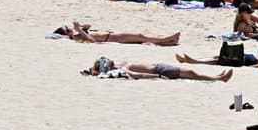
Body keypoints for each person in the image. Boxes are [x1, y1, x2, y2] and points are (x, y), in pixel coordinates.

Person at [82, 58, 232, 82]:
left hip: (159, 67)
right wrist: (158, 76)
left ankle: (216, 77)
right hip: (160, 70)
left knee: (190, 73)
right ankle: (217, 78)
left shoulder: (121, 64)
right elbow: (139, 75)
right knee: (191, 74)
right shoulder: (122, 69)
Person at [54, 21, 179, 46]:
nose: (70, 29)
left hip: (113, 35)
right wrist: (80, 30)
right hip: (114, 37)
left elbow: (89, 27)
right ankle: (166, 39)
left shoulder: (77, 33)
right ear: (67, 34)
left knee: (141, 38)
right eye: (68, 30)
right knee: (141, 36)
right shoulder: (76, 38)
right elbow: (92, 41)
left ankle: (169, 42)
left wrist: (81, 26)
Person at [176, 52, 258, 69]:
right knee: (218, 57)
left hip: (251, 62)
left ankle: (194, 61)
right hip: (251, 58)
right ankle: (195, 60)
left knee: (219, 60)